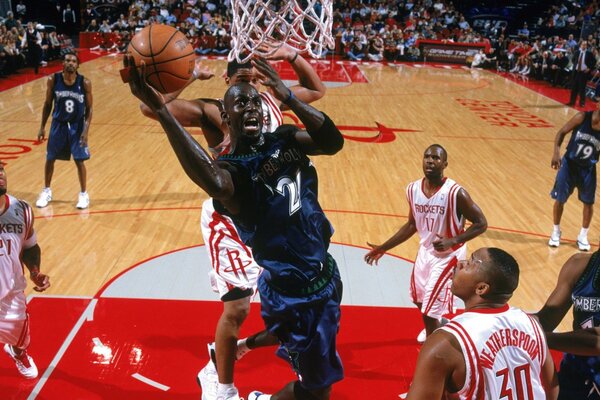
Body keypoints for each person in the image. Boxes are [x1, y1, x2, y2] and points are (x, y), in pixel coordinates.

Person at [125, 54, 344, 400]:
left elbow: (329, 132)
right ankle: (223, 387)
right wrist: (181, 87)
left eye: (254, 88)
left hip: (316, 264)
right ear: (227, 98)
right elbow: (214, 180)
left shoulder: (281, 129)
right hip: (234, 217)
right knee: (242, 308)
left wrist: (288, 79)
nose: (251, 97)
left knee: (296, 326)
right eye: (240, 91)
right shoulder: (224, 145)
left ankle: (244, 349)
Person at [364, 144, 487, 343]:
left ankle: (433, 344)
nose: (430, 160)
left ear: (445, 164)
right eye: (427, 156)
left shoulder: (456, 193)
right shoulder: (412, 189)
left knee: (430, 305)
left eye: (436, 158)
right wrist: (383, 247)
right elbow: (412, 224)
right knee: (418, 298)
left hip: (450, 255)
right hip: (426, 251)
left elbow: (482, 223)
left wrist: (453, 240)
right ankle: (439, 325)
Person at [406, 247, 558, 399]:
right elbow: (551, 386)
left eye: (471, 263)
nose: (460, 263)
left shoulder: (445, 343)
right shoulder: (532, 324)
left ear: (481, 288)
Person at [0, 160, 51, 379]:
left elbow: (31, 247)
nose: (0, 173)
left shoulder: (22, 210)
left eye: (1, 168)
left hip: (10, 292)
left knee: (21, 336)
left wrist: (35, 271)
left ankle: (17, 352)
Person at [536, 250, 600, 399]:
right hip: (576, 368)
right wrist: (508, 321)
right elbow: (546, 319)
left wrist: (536, 337)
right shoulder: (579, 264)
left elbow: (597, 341)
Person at [35, 50, 93, 210]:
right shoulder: (53, 80)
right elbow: (47, 104)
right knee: (50, 158)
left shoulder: (85, 82)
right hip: (58, 124)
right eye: (67, 60)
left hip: (77, 125)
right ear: (63, 63)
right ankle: (46, 191)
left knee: (79, 160)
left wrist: (85, 131)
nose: (70, 63)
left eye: (73, 61)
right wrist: (42, 127)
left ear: (78, 65)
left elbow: (90, 109)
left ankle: (83, 194)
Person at [548, 107, 600, 251]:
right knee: (560, 200)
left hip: (588, 169)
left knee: (589, 204)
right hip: (569, 165)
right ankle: (556, 231)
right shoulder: (583, 117)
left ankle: (583, 236)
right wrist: (556, 152)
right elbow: (562, 132)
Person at [568, 40, 596, 107]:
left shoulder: (589, 53)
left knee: (582, 89)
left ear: (586, 46)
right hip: (576, 72)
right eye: (583, 44)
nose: (584, 46)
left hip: (583, 73)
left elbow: (594, 62)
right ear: (580, 45)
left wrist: (589, 68)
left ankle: (582, 103)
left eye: (585, 45)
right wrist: (575, 66)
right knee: (574, 88)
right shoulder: (577, 52)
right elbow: (573, 59)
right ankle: (572, 102)